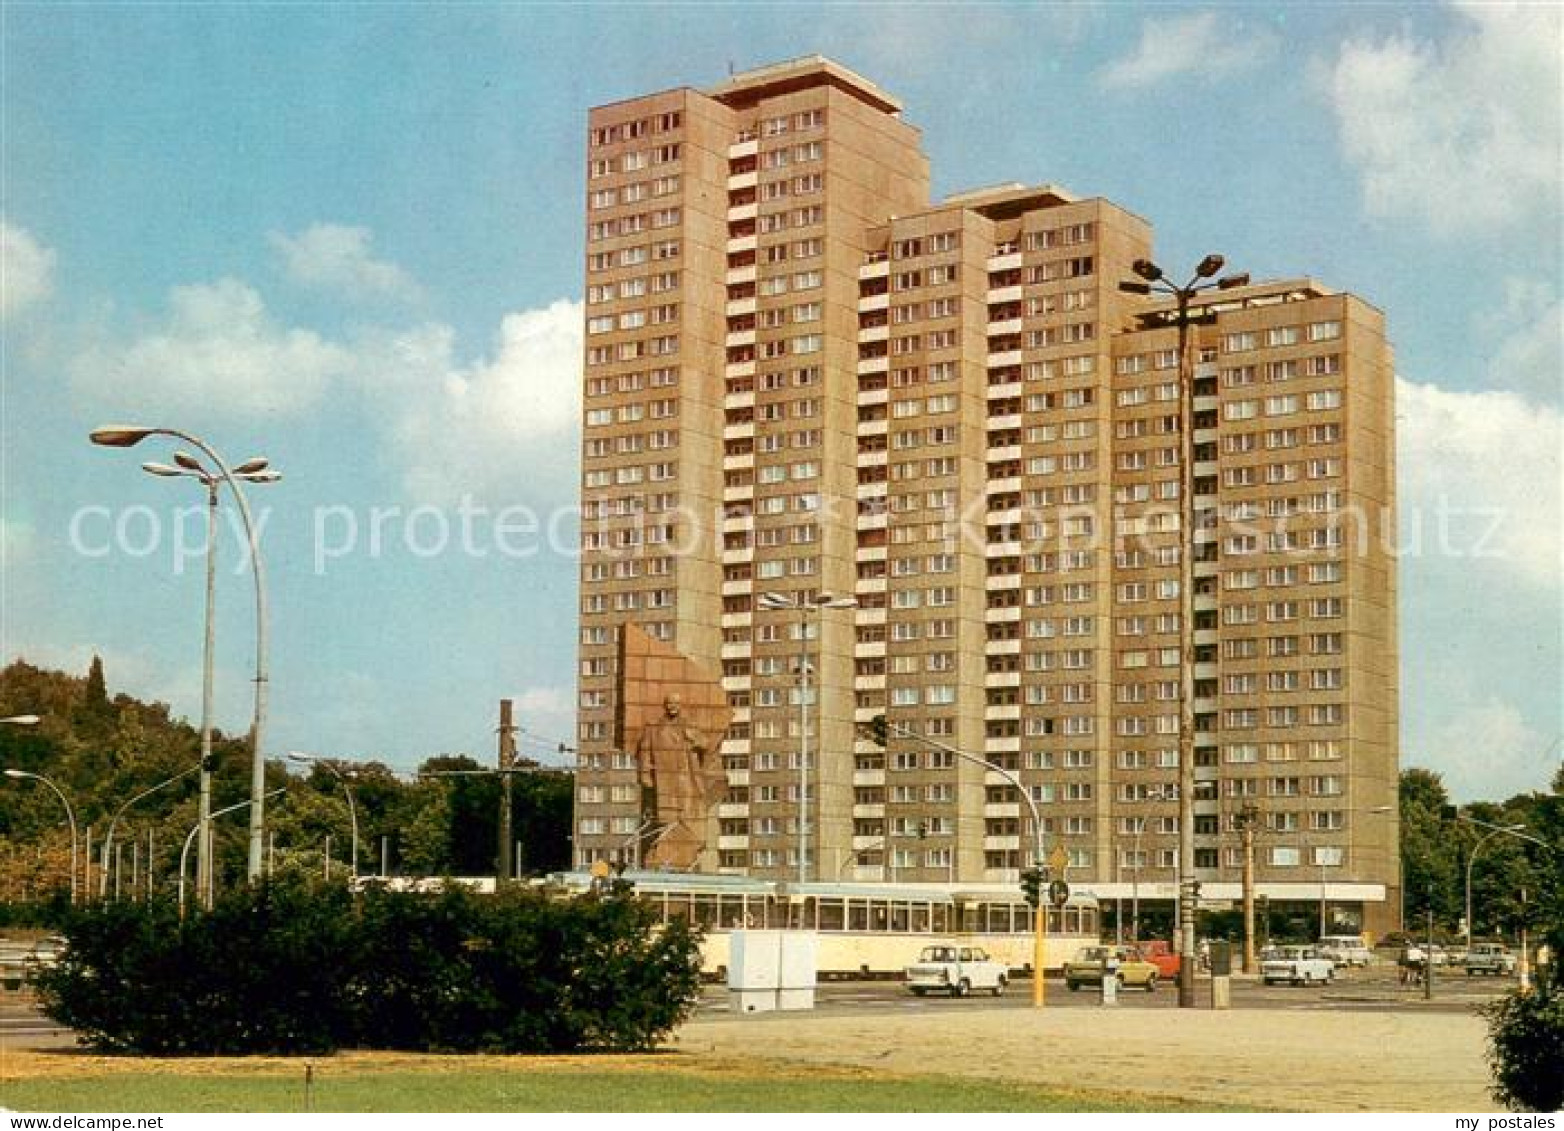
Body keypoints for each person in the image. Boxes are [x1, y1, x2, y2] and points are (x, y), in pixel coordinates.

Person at [633, 693, 724, 867]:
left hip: (685, 775)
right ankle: (666, 847)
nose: (672, 706)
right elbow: (644, 750)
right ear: (664, 705)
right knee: (665, 813)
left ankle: (685, 842)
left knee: (687, 808)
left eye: (675, 703)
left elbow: (705, 743)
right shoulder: (654, 728)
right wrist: (644, 773)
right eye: (669, 703)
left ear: (680, 705)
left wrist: (694, 739)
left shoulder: (689, 725)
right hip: (663, 777)